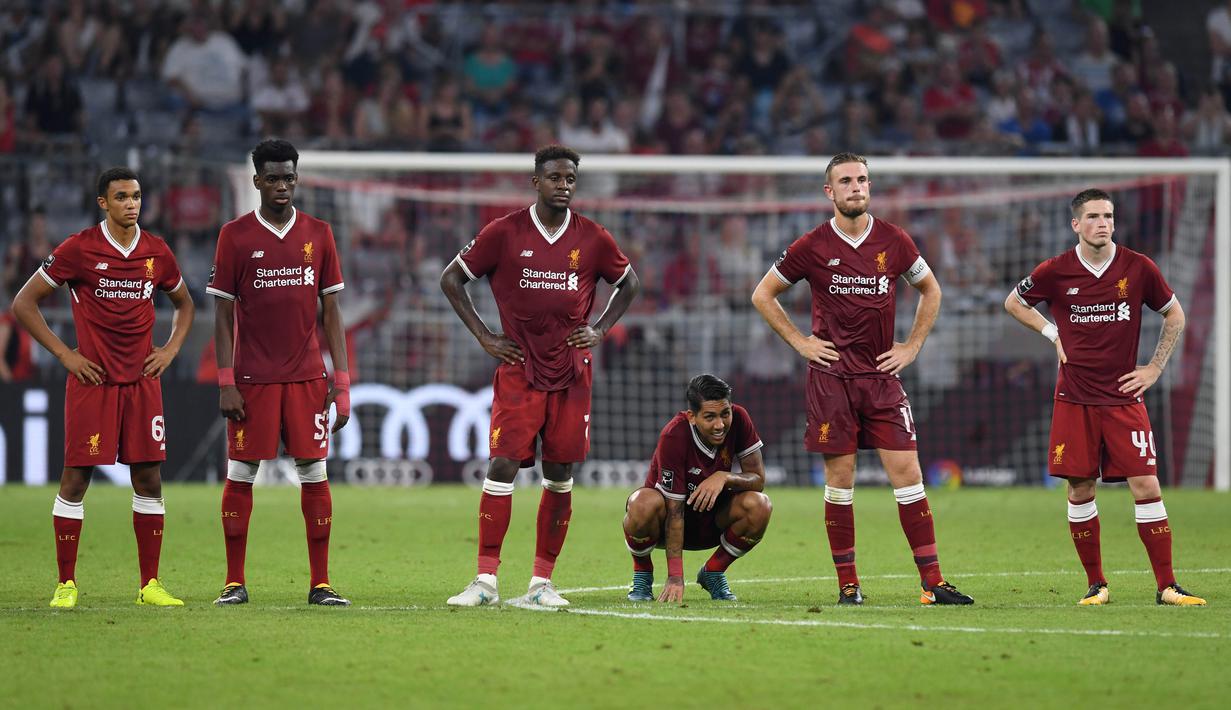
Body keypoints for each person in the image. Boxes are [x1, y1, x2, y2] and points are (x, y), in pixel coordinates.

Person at [751, 152, 973, 606]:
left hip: (881, 378)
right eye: (847, 181)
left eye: (863, 180)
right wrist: (800, 342)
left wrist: (912, 346)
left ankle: (933, 582)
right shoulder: (811, 245)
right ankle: (848, 585)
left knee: (908, 474)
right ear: (830, 192)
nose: (857, 187)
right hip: (831, 380)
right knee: (841, 479)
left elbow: (931, 289)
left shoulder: (894, 241)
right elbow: (763, 294)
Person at [440, 144, 640, 607]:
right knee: (503, 465)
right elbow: (452, 278)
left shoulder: (592, 237)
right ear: (536, 182)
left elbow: (630, 282)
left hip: (571, 371)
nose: (563, 185)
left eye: (570, 178)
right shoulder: (505, 232)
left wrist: (601, 329)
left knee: (560, 473)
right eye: (554, 177)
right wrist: (485, 337)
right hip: (520, 367)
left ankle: (541, 584)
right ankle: (485, 581)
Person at [1004, 188, 1205, 607]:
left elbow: (1175, 314)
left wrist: (1153, 368)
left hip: (1123, 399)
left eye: (1108, 216)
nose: (1103, 224)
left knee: (1147, 484)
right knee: (1080, 490)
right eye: (1093, 217)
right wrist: (1051, 332)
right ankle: (1097, 584)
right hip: (1074, 398)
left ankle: (1167, 586)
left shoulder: (1138, 267)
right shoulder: (1056, 270)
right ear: (1075, 224)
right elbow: (1014, 302)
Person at [11, 167, 195, 608]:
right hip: (93, 382)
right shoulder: (78, 249)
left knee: (149, 479)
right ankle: (66, 584)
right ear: (103, 203)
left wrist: (169, 351)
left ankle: (150, 584)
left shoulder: (157, 251)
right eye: (121, 197)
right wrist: (65, 355)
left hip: (142, 383)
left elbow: (185, 304)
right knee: (75, 480)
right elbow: (23, 303)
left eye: (136, 196)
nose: (131, 204)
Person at [206, 139, 352, 607]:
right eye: (273, 178)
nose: (283, 185)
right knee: (242, 470)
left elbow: (331, 313)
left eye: (289, 177)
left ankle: (321, 583)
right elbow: (223, 315)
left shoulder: (319, 233)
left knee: (314, 471)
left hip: (308, 377)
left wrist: (342, 381)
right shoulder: (234, 235)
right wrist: (226, 381)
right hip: (252, 379)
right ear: (257, 182)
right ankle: (234, 581)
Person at [623, 374, 772, 602]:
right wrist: (675, 577)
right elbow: (674, 511)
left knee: (760, 505)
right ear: (692, 417)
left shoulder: (740, 419)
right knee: (641, 503)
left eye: (725, 413)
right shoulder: (674, 435)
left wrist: (725, 477)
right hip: (666, 526)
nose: (720, 424)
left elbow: (758, 479)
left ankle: (713, 572)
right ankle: (642, 574)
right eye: (710, 417)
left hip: (714, 522)